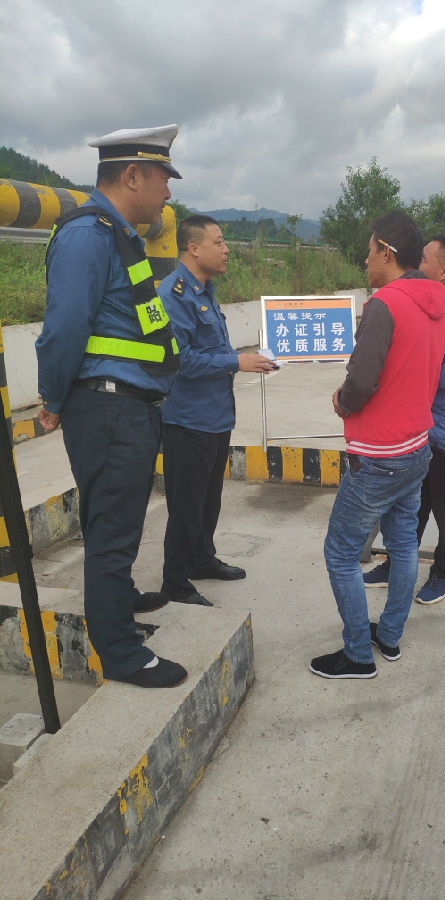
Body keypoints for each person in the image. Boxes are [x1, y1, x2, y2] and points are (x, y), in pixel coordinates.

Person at [35, 124, 187, 689]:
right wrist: (53, 399)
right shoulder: (87, 236)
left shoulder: (118, 235)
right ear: (133, 175)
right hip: (107, 408)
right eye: (163, 179)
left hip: (130, 406)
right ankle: (121, 653)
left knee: (119, 521)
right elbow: (63, 329)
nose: (167, 193)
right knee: (112, 533)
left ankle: (117, 600)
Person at [310, 210, 445, 679]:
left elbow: (362, 380)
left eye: (370, 252)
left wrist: (342, 401)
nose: (365, 261)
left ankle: (357, 654)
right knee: (404, 545)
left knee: (340, 553)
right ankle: (388, 636)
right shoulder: (434, 301)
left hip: (379, 455)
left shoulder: (385, 304)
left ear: (386, 252)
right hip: (416, 447)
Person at [157, 215, 278, 606]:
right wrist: (236, 361)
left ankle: (201, 559)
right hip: (187, 420)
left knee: (208, 500)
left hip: (214, 417)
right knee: (186, 506)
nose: (226, 250)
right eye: (219, 242)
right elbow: (180, 360)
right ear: (194, 249)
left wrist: (242, 359)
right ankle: (175, 582)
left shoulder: (204, 290)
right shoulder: (173, 295)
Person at [363, 234, 445, 604]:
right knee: (409, 507)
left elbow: (443, 374)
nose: (418, 264)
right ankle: (397, 564)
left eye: (425, 259)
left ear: (444, 270)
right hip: (420, 429)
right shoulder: (435, 306)